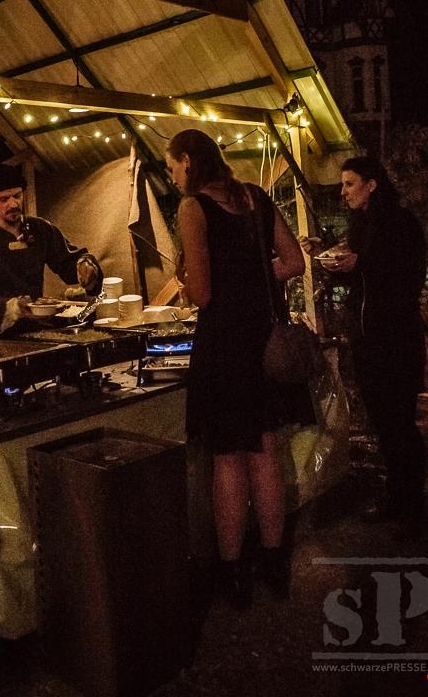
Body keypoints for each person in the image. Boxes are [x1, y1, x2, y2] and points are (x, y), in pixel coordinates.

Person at [165, 129, 306, 608]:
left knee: (228, 458)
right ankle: (274, 561)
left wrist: (187, 278)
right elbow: (294, 262)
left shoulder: (193, 208)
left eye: (171, 166)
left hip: (224, 344)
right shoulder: (255, 197)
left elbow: (202, 294)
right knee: (264, 451)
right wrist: (252, 278)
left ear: (188, 161)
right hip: (262, 339)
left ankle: (232, 572)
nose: (171, 175)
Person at [307, 156, 428, 534]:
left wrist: (361, 263)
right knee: (383, 424)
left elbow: (407, 276)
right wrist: (332, 259)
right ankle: (396, 497)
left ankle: (412, 508)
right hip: (367, 339)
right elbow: (360, 280)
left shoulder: (400, 223)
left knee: (400, 423)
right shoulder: (361, 226)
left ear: (372, 184)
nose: (343, 192)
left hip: (397, 339)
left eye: (349, 183)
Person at [0, 163, 103, 341]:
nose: (13, 204)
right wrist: (12, 308)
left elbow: (67, 261)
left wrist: (84, 267)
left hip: (36, 332)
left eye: (17, 196)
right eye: (3, 199)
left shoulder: (40, 229)